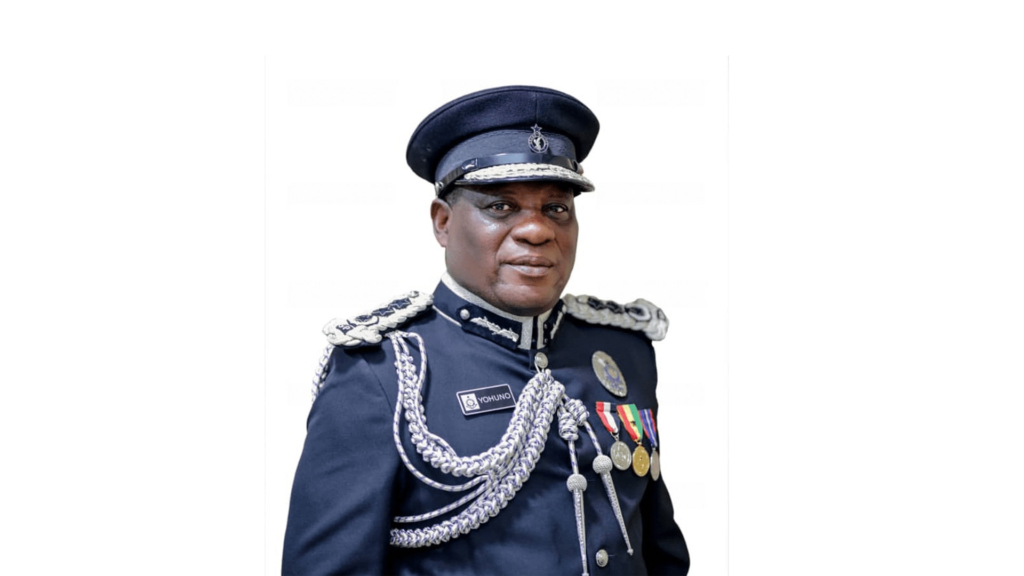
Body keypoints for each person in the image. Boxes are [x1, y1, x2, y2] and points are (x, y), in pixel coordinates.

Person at [283, 85, 690, 575]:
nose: (537, 230)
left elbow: (658, 552)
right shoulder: (383, 371)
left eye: (556, 208)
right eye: (501, 207)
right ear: (443, 222)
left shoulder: (622, 351)